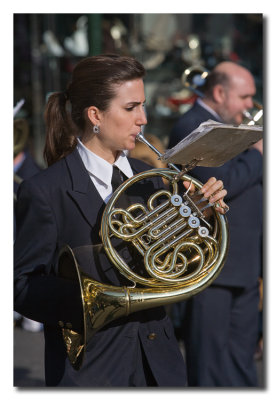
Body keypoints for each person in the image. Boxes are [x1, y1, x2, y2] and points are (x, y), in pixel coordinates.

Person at [14, 54, 228, 387]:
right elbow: (21, 285)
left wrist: (198, 217)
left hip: (160, 368)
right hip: (92, 372)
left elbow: (172, 267)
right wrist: (87, 298)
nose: (143, 119)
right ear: (95, 115)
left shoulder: (151, 179)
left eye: (142, 106)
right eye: (130, 108)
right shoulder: (45, 190)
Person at [169, 61, 263, 387]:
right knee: (208, 370)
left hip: (246, 268)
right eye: (245, 97)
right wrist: (259, 155)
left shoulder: (234, 126)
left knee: (242, 369)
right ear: (220, 92)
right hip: (213, 270)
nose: (251, 104)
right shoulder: (191, 125)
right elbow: (221, 185)